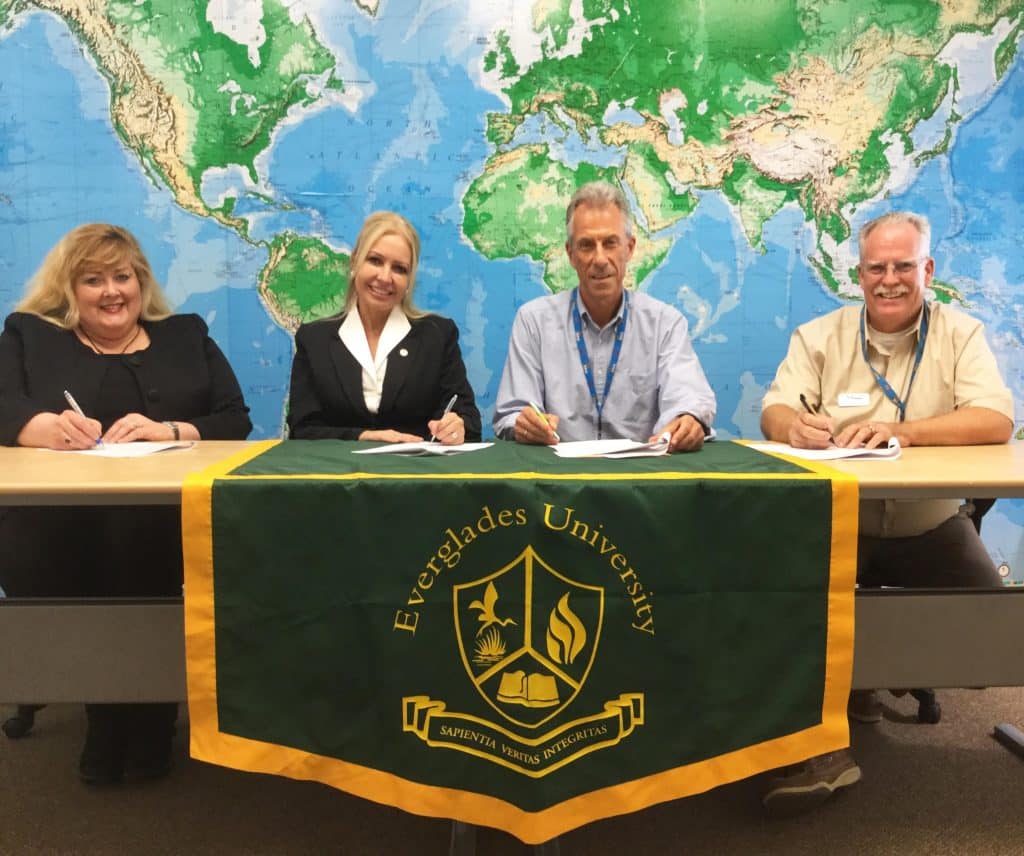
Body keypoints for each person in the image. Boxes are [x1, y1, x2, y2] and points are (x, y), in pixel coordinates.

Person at [759, 210, 1014, 815]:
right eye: (877, 267)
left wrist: (904, 431)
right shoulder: (820, 336)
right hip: (840, 526)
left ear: (927, 269)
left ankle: (870, 675)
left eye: (904, 266)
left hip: (931, 526)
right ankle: (817, 750)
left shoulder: (961, 335)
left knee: (992, 636)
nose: (891, 280)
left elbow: (996, 420)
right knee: (784, 610)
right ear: (859, 274)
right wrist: (793, 426)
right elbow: (773, 410)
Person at [0, 223, 252, 784]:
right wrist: (41, 426)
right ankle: (106, 716)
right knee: (100, 559)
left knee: (138, 547)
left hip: (160, 521)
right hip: (59, 525)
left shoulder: (185, 334)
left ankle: (151, 719)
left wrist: (169, 428)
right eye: (93, 280)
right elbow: (3, 406)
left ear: (141, 282)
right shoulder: (28, 335)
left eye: (123, 276)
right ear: (69, 289)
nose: (112, 291)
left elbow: (234, 418)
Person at [493, 181, 715, 450]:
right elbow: (513, 413)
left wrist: (687, 420)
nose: (599, 259)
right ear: (570, 255)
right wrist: (525, 424)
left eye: (610, 243)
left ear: (629, 248)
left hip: (640, 479)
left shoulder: (665, 324)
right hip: (559, 479)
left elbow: (688, 399)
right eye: (587, 245)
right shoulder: (533, 322)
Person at [287, 211, 481, 443]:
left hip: (416, 473)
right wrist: (364, 436)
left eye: (399, 268)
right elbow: (302, 430)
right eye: (375, 261)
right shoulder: (314, 340)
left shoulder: (437, 336)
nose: (385, 277)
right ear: (354, 261)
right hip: (339, 474)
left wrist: (457, 427)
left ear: (409, 280)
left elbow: (470, 422)